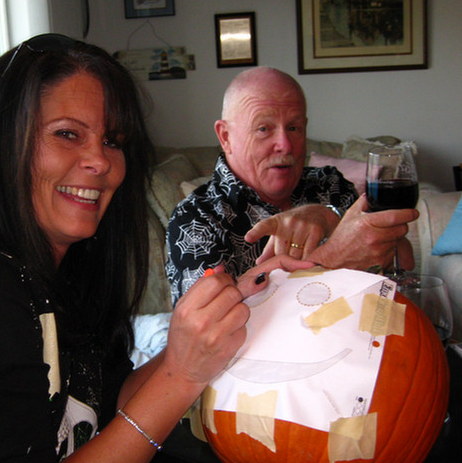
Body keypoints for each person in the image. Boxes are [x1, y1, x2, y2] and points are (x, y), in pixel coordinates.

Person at [0, 34, 308, 463]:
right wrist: (182, 376)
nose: (101, 161)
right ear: (2, 141)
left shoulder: (69, 270)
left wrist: (220, 321)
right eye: (67, 134)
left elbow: (112, 399)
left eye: (113, 141)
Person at [166, 66, 418, 304]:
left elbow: (404, 263)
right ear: (226, 137)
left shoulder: (330, 185)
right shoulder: (195, 219)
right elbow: (209, 339)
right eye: (264, 128)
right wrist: (331, 258)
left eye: (294, 127)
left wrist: (332, 218)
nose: (286, 145)